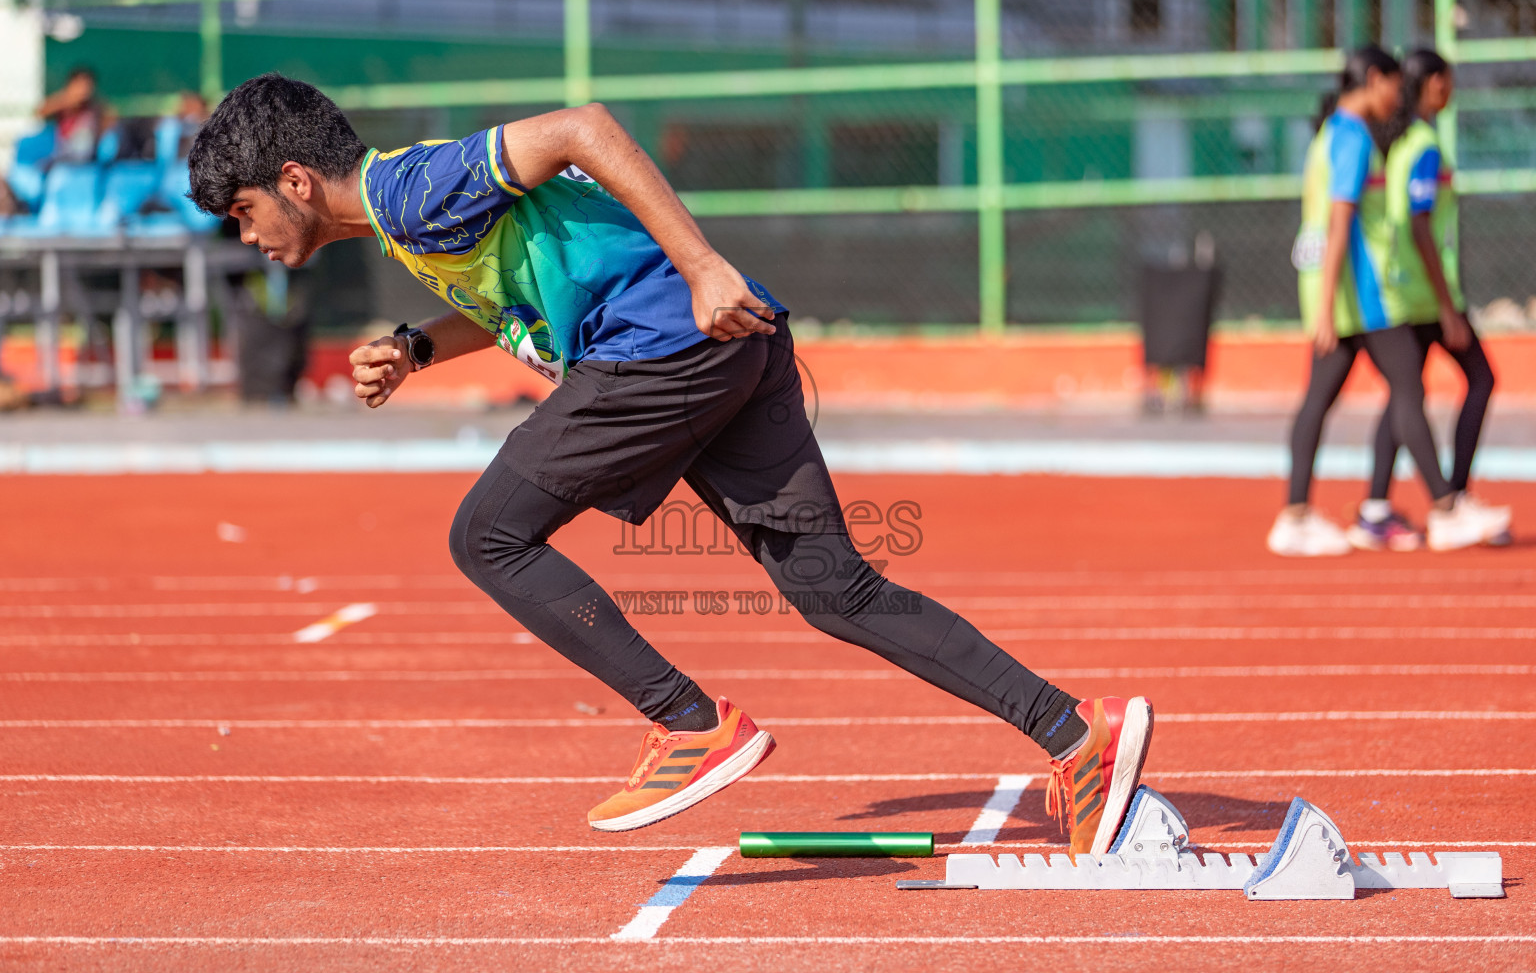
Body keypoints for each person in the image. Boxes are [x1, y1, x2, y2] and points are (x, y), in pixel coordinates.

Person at [187, 73, 1154, 853]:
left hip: (666, 341)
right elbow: (523, 286)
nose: (250, 239)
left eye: (242, 212)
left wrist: (699, 265)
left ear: (295, 182)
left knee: (488, 535)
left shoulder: (410, 185)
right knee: (837, 592)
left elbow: (581, 127)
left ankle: (690, 725)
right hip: (730, 341)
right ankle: (1078, 734)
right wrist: (420, 348)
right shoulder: (407, 215)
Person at [1270, 46, 1507, 557]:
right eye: (1394, 86)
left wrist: (1323, 299)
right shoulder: (1353, 136)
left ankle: (1301, 514)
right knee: (1405, 390)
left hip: (1344, 293)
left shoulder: (1332, 134)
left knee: (1323, 400)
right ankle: (1444, 508)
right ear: (1374, 80)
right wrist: (1329, 304)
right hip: (1364, 294)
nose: (1399, 97)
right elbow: (1340, 222)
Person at [1348, 49, 1510, 551]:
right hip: (1423, 294)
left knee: (1405, 394)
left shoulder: (1401, 144)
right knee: (1480, 378)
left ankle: (1377, 506)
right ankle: (1452, 499)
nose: (1452, 90)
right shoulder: (1420, 144)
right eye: (1448, 81)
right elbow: (1419, 224)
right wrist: (1445, 303)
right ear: (1433, 84)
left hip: (1409, 289)